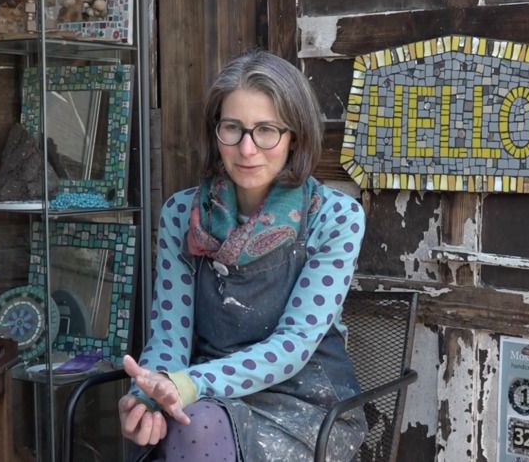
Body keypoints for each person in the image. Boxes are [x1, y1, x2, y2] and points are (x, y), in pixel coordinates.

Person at [118, 50, 367, 461]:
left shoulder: (335, 217)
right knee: (171, 426)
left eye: (266, 130)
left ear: (295, 137)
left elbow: (294, 345)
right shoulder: (183, 214)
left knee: (192, 427)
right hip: (206, 397)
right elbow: (169, 336)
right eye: (233, 128)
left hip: (305, 405)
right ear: (216, 133)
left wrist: (187, 385)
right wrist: (150, 392)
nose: (248, 149)